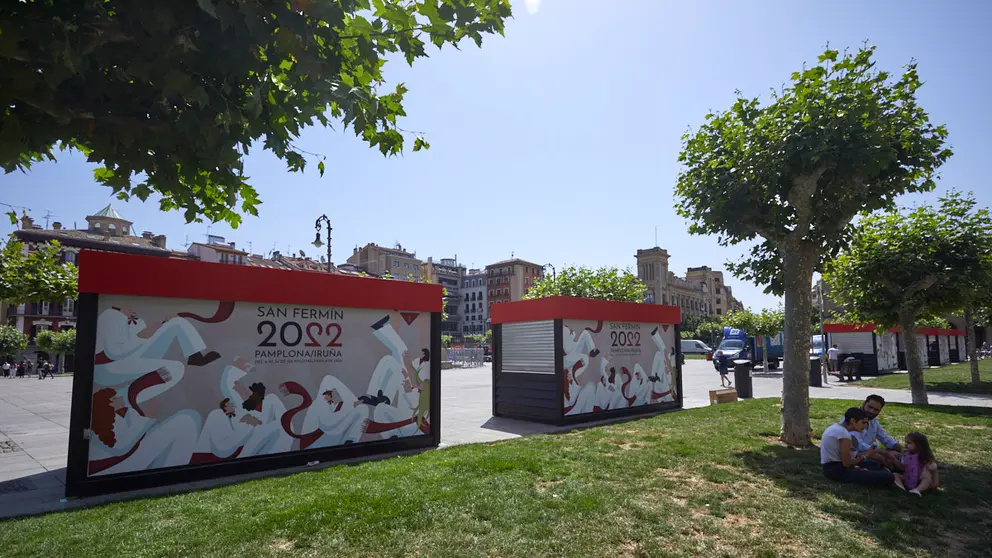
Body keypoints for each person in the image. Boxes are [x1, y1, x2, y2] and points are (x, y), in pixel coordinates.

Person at [821, 407, 894, 486]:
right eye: (863, 422)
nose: (865, 426)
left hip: (831, 468)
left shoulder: (836, 427)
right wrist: (866, 455)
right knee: (889, 477)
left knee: (873, 465)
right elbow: (847, 463)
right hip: (837, 471)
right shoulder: (844, 435)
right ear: (853, 421)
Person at [852, 394, 903, 471]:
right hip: (856, 456)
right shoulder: (852, 419)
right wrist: (884, 453)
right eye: (870, 407)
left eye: (876, 410)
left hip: (870, 452)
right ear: (864, 404)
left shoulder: (872, 420)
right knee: (884, 457)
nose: (871, 411)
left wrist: (902, 449)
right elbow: (859, 446)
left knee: (897, 454)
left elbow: (885, 438)